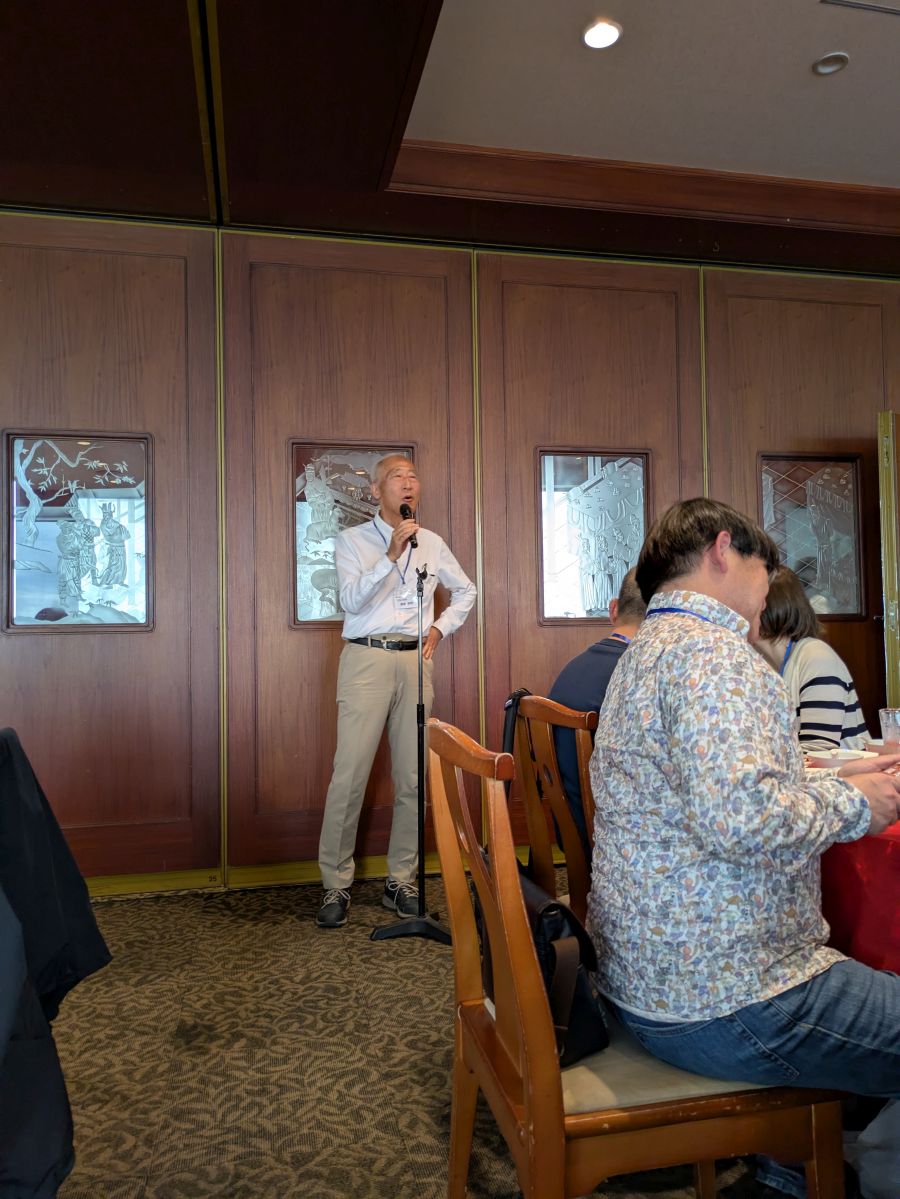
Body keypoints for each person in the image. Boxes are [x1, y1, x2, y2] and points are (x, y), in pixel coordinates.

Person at [587, 497, 900, 1107]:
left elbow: (712, 786)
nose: (769, 590)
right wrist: (856, 804)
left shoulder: (645, 649)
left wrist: (832, 776)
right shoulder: (715, 656)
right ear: (723, 550)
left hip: (642, 983)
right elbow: (742, 821)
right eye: (767, 570)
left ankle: (819, 1145)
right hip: (735, 999)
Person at [316, 455, 476, 929]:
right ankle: (335, 883)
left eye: (413, 477)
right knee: (350, 775)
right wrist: (389, 556)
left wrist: (441, 628)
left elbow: (466, 591)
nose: (408, 484)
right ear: (376, 490)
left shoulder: (432, 543)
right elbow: (349, 600)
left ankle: (401, 880)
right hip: (366, 658)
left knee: (413, 776)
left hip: (414, 661)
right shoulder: (351, 542)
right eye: (396, 478)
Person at [548, 567, 646, 851]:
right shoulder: (638, 675)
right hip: (611, 841)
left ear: (613, 609)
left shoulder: (573, 668)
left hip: (571, 832)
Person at [754, 565, 869, 752]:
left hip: (841, 770)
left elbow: (818, 750)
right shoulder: (762, 663)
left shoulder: (816, 658)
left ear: (765, 607)